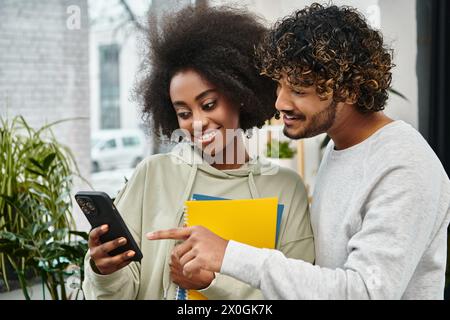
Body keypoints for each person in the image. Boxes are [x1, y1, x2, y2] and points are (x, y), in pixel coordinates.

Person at [148, 3, 450, 300]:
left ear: (349, 90)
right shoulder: (341, 149)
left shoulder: (404, 165)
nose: (279, 103)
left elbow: (367, 292)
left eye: (299, 90)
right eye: (279, 86)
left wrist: (229, 254)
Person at [82, 5, 314, 300]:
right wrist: (105, 272)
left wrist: (209, 284)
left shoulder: (284, 188)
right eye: (183, 112)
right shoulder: (152, 175)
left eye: (208, 105)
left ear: (240, 95)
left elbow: (297, 293)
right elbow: (119, 292)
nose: (198, 123)